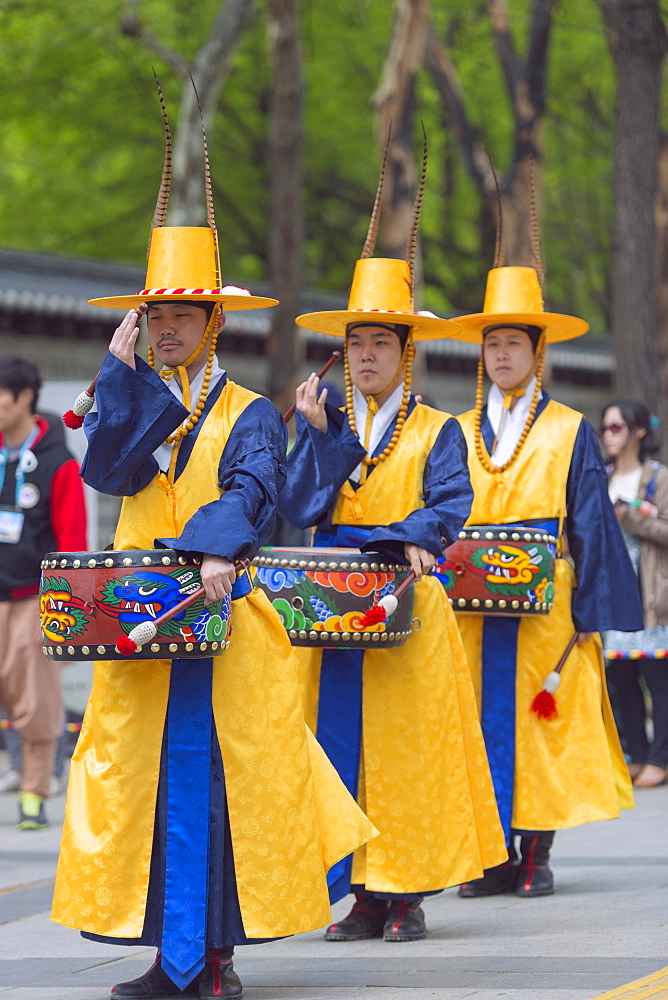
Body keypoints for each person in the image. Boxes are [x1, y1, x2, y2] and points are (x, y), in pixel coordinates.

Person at [50, 112, 375, 1000]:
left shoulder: (251, 413)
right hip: (139, 621)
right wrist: (121, 382)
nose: (165, 330)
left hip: (221, 621)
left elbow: (255, 491)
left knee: (224, 786)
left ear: (213, 321)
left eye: (181, 316)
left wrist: (214, 551)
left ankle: (214, 961)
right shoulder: (128, 393)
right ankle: (167, 958)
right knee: (142, 785)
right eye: (153, 317)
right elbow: (108, 470)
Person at [278, 155, 507, 944]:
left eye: (380, 343)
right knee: (341, 744)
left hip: (404, 602)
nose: (365, 356)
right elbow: (300, 508)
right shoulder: (325, 424)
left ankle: (403, 893)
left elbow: (450, 506)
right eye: (356, 344)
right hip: (336, 611)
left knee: (407, 750)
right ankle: (359, 895)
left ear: (406, 352)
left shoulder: (441, 428)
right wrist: (317, 444)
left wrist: (409, 536)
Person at [445, 263, 642, 898]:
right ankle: (493, 851)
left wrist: (589, 605)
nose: (501, 356)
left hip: (543, 600)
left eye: (513, 345)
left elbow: (588, 518)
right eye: (492, 345)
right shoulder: (460, 428)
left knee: (541, 725)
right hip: (473, 598)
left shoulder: (567, 428)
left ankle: (536, 853)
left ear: (536, 352)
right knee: (476, 719)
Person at [0, 356, 87, 829]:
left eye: (1, 394)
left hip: (34, 596)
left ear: (24, 398)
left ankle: (35, 788)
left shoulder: (59, 464)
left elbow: (73, 543)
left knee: (35, 696)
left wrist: (64, 612)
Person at [602, 399, 668, 788]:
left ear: (638, 431)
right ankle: (637, 756)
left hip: (651, 594)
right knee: (621, 677)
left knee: (657, 678)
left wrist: (631, 519)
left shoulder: (658, 478)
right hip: (614, 595)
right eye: (605, 428)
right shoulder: (602, 478)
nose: (609, 435)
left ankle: (660, 758)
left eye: (616, 427)